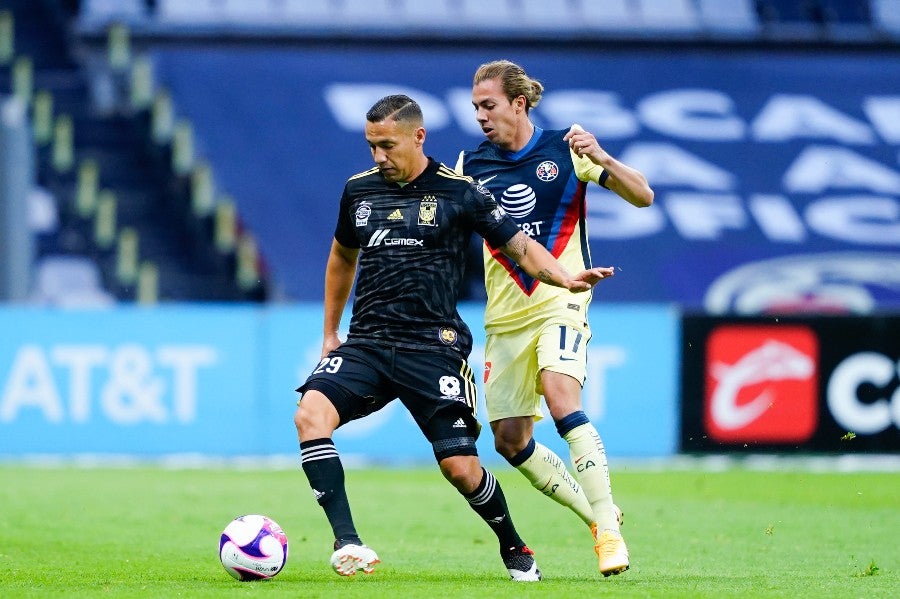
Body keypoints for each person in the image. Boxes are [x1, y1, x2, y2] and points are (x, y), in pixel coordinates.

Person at [294, 94, 615, 581]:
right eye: (371, 146)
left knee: (461, 469)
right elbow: (342, 256)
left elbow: (521, 246)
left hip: (433, 347)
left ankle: (514, 546)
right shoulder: (358, 191)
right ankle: (348, 542)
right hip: (369, 343)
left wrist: (563, 278)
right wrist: (330, 332)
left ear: (417, 137)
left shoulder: (460, 191)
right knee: (309, 415)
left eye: (388, 146)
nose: (379, 157)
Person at [455, 60, 654, 577]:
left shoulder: (567, 150)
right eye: (476, 106)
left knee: (561, 392)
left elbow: (643, 196)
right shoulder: (468, 165)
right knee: (509, 440)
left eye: (489, 105)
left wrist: (602, 154)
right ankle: (595, 514)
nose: (480, 116)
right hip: (504, 317)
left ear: (519, 104)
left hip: (563, 296)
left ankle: (609, 532)